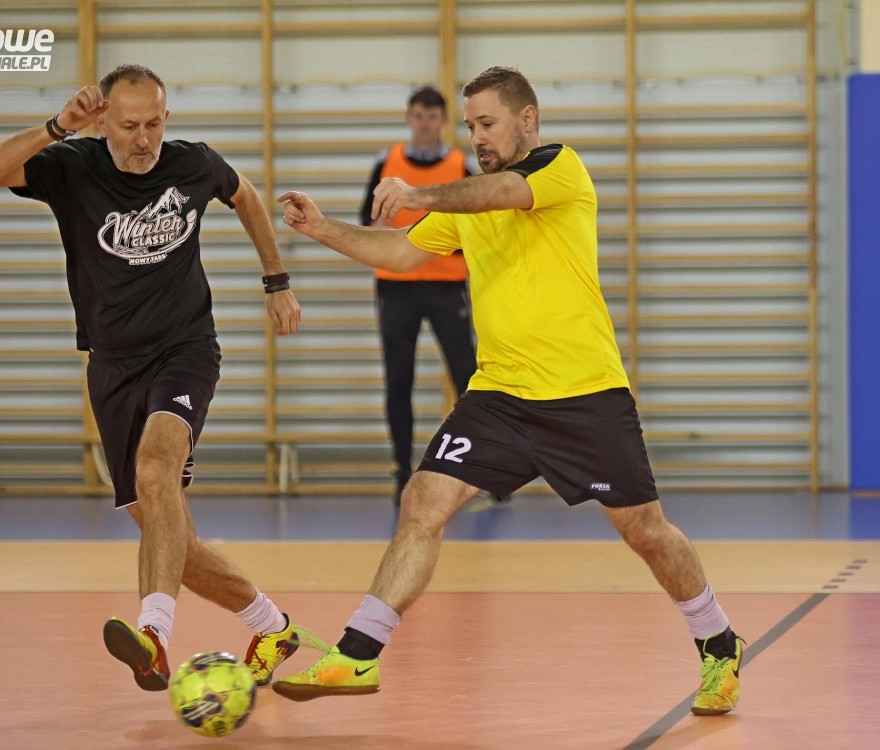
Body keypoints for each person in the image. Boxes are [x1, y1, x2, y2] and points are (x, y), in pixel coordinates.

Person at [271, 66, 744, 716]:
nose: (477, 136)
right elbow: (403, 253)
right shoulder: (468, 207)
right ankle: (357, 653)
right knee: (422, 502)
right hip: (498, 396)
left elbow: (501, 191)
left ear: (528, 119)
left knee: (646, 532)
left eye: (487, 123)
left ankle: (718, 642)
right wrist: (322, 228)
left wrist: (418, 191)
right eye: (471, 126)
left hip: (584, 394)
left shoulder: (559, 169)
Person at [0, 64, 306, 693]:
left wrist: (277, 281)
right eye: (129, 126)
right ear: (102, 123)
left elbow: (247, 196)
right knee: (168, 535)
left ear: (166, 118)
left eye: (154, 123)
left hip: (184, 350)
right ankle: (274, 627)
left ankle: (154, 637)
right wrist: (56, 127)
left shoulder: (193, 163)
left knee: (156, 472)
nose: (143, 138)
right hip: (112, 366)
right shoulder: (72, 167)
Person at [360, 86, 476, 506]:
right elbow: (368, 223)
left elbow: (479, 227)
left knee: (469, 379)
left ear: (443, 120)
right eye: (419, 116)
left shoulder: (461, 165)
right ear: (410, 118)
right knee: (398, 381)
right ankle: (402, 473)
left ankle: (479, 472)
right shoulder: (386, 163)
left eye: (432, 116)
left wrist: (429, 244)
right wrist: (403, 243)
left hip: (447, 286)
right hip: (397, 287)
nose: (425, 123)